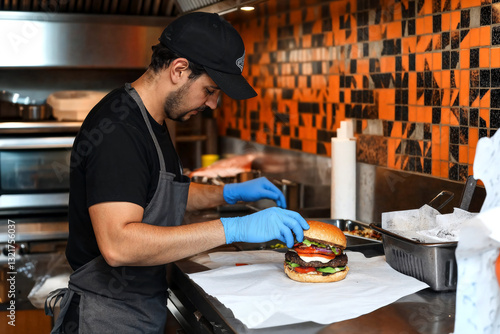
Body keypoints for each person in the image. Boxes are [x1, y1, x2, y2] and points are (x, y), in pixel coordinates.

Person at [45, 12, 309, 334]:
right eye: (210, 90)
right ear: (179, 69)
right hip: (104, 318)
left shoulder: (152, 120)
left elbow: (159, 194)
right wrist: (233, 228)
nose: (213, 104)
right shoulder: (118, 131)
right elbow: (118, 245)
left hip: (138, 309)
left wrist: (229, 194)